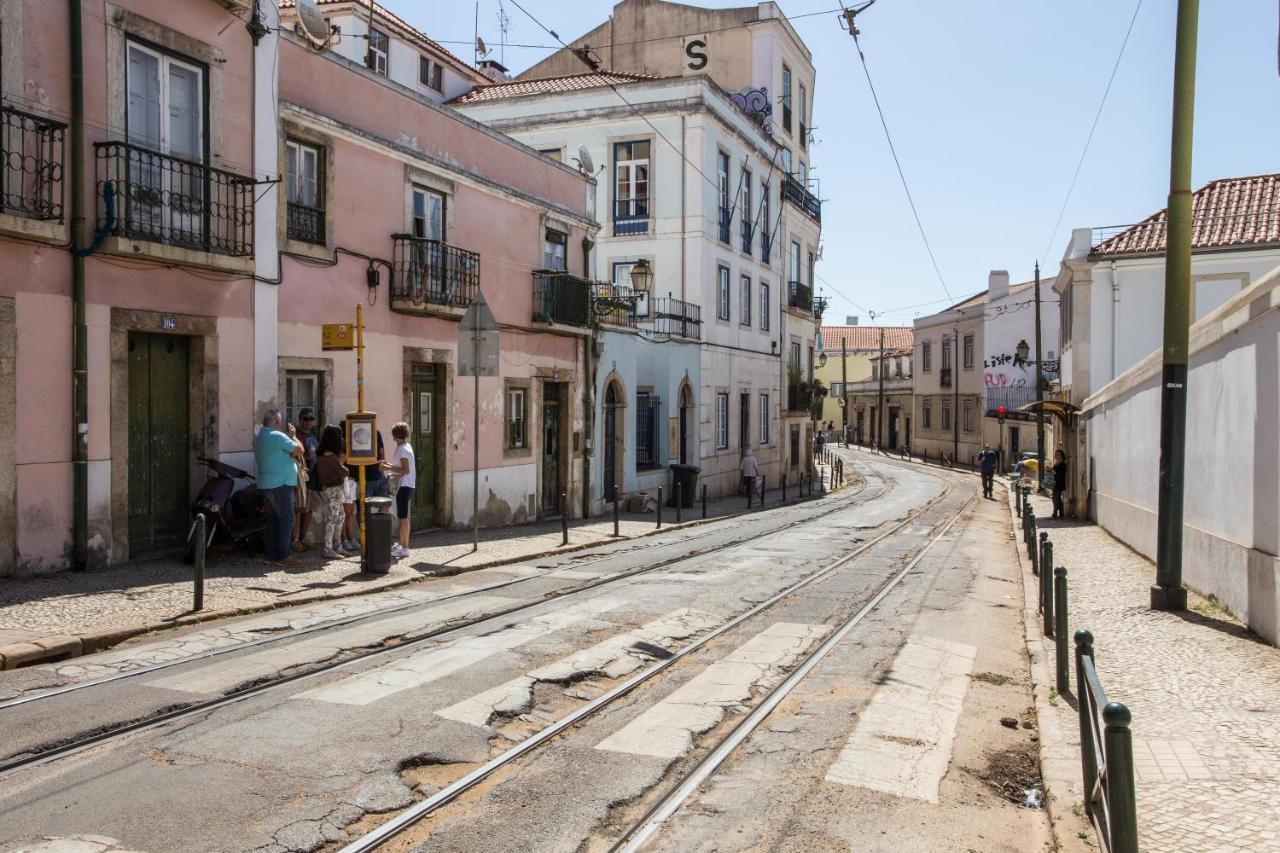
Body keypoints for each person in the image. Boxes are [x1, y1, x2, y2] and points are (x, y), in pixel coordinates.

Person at [254, 410, 304, 567]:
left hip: (267, 483)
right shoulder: (277, 436)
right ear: (275, 421)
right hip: (280, 484)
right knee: (286, 519)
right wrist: (294, 435)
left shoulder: (261, 436)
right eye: (280, 421)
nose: (281, 424)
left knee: (273, 520)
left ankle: (270, 555)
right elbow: (300, 451)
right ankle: (283, 555)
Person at [314, 425, 352, 559]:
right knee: (333, 518)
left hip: (328, 489)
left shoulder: (321, 456)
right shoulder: (331, 458)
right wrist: (342, 464)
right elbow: (344, 472)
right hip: (334, 490)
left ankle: (338, 546)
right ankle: (328, 548)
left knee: (340, 516)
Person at [381, 422, 415, 559]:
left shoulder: (402, 450)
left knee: (403, 517)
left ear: (395, 435)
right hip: (406, 485)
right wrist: (387, 465)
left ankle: (405, 548)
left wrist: (387, 468)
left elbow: (405, 470)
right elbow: (399, 466)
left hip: (404, 485)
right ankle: (402, 544)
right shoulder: (405, 447)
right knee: (403, 517)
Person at [293, 408, 320, 551]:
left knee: (309, 510)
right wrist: (305, 458)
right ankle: (295, 539)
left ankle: (303, 538)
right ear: (300, 420)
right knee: (299, 509)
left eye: (311, 419)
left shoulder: (315, 434)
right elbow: (294, 453)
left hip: (314, 476)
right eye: (305, 419)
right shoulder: (295, 435)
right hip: (302, 476)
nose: (309, 421)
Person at [1052, 449, 1068, 518]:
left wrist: (1053, 471)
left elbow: (1061, 475)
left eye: (1058, 454)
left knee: (1056, 499)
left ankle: (1055, 513)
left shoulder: (1063, 464)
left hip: (1059, 483)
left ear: (1061, 456)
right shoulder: (1056, 463)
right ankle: (1061, 513)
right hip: (1054, 483)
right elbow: (1053, 472)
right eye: (1056, 454)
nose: (1056, 456)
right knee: (1057, 499)